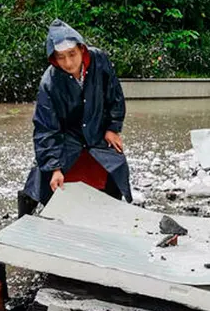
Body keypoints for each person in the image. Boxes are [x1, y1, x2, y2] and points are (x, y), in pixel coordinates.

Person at [18, 20, 130, 215]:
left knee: (116, 166)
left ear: (82, 49)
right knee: (39, 178)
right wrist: (54, 167)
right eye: (61, 57)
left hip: (96, 133)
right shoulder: (49, 82)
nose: (68, 63)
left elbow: (115, 96)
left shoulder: (100, 61)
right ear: (53, 58)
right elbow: (45, 129)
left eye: (72, 54)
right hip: (67, 139)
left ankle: (112, 208)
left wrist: (113, 128)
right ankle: (27, 217)